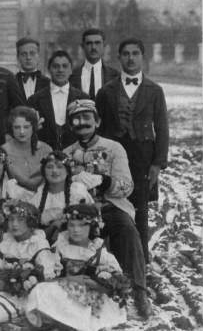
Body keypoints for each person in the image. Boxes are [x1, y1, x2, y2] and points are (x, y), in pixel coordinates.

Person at [63, 98, 151, 318]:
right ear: (70, 125)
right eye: (76, 119)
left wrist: (104, 181)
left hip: (110, 206)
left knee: (127, 229)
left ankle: (138, 291)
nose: (82, 123)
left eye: (87, 118)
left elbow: (127, 186)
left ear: (98, 121)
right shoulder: (66, 154)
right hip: (79, 212)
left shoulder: (113, 148)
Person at [96, 38, 168, 263]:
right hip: (113, 158)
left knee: (141, 209)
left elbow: (162, 128)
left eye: (135, 53)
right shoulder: (106, 91)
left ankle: (141, 260)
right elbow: (99, 128)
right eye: (126, 54)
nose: (130, 58)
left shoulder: (154, 90)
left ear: (142, 57)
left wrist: (157, 163)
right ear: (119, 58)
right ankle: (111, 260)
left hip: (143, 158)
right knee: (113, 204)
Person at [25, 203, 129, 331]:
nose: (75, 230)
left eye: (81, 225)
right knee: (41, 289)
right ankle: (66, 323)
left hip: (89, 297)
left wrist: (101, 280)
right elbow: (51, 270)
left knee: (90, 303)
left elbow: (116, 278)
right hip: (65, 291)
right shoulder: (61, 246)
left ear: (92, 227)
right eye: (71, 225)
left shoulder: (98, 251)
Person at [0, 200, 58, 324]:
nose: (14, 224)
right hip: (5, 285)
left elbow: (45, 277)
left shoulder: (37, 244)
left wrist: (23, 281)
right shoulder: (9, 240)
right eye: (11, 219)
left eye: (20, 220)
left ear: (30, 223)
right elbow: (1, 263)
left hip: (24, 292)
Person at [27, 50, 89, 151]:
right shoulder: (34, 100)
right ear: (49, 69)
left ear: (71, 70)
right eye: (56, 66)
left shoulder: (83, 98)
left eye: (65, 66)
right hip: (44, 154)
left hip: (76, 153)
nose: (60, 70)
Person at [27, 151, 94, 242]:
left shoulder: (77, 192)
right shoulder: (37, 196)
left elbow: (91, 223)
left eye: (59, 167)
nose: (54, 171)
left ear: (67, 171)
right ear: (44, 172)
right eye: (50, 167)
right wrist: (53, 226)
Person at [1, 106, 53, 191]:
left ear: (33, 127)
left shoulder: (46, 149)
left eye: (26, 127)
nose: (22, 132)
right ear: (11, 128)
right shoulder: (4, 151)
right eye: (17, 127)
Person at [69, 28, 120, 100]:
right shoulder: (71, 76)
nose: (93, 47)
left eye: (97, 43)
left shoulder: (116, 76)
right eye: (89, 43)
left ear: (104, 45)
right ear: (82, 46)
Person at [15, 37, 49, 101]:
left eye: (32, 53)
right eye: (24, 54)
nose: (28, 57)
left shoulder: (48, 83)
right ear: (18, 57)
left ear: (38, 56)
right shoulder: (11, 82)